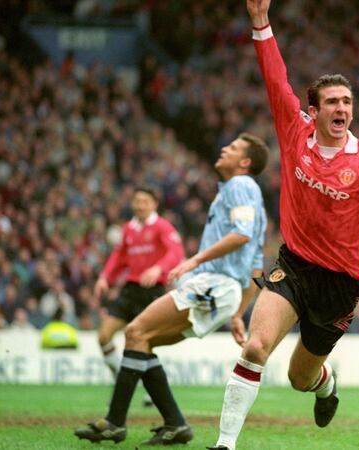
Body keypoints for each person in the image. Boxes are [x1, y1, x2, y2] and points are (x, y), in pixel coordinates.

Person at [209, 2, 359, 449]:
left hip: (340, 284)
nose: (341, 108)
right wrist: (261, 24)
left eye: (347, 101)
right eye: (332, 102)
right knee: (254, 348)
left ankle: (325, 385)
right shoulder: (294, 131)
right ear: (314, 110)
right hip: (294, 267)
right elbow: (275, 80)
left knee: (298, 378)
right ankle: (224, 445)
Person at [74, 133, 270, 445]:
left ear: (244, 162)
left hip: (214, 285)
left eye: (232, 148)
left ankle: (115, 422)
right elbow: (256, 261)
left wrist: (195, 261)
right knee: (142, 339)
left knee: (136, 331)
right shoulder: (243, 193)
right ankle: (175, 424)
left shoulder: (240, 186)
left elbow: (242, 235)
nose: (223, 148)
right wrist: (239, 311)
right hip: (224, 290)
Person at [93, 186, 185, 406]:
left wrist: (158, 269)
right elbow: (119, 256)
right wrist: (105, 277)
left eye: (145, 201)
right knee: (104, 336)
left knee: (145, 342)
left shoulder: (163, 226)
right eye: (137, 201)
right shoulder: (129, 229)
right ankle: (121, 375)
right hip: (130, 289)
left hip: (153, 291)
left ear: (154, 204)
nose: (140, 205)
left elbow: (176, 253)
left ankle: (150, 389)